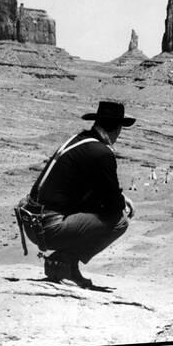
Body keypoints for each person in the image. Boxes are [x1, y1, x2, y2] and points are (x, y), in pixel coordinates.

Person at [17, 101, 136, 288]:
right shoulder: (101, 152)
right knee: (119, 220)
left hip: (34, 222)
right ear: (118, 128)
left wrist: (116, 197)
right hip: (48, 228)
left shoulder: (79, 140)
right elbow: (113, 204)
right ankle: (64, 262)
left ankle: (64, 264)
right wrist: (120, 200)